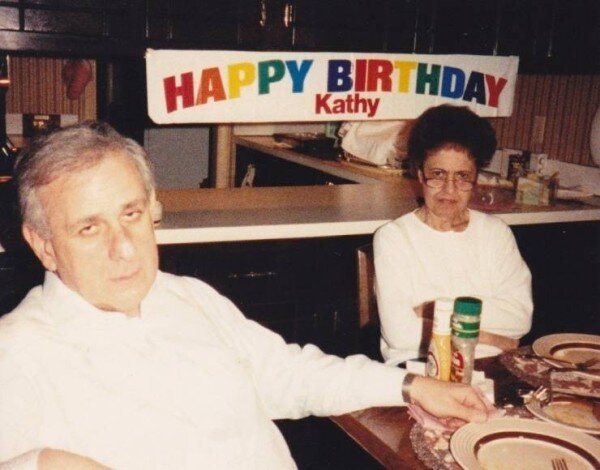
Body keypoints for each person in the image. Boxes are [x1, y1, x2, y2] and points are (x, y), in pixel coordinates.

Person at [0, 121, 492, 469]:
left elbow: (289, 374)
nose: (124, 248)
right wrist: (36, 463)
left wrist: (411, 385)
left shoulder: (186, 296)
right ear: (43, 245)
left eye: (131, 214)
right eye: (89, 228)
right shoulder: (17, 352)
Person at [374, 104, 534, 366]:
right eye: (438, 174)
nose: (449, 189)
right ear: (420, 174)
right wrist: (491, 337)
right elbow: (401, 336)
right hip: (419, 366)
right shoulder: (394, 237)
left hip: (488, 367)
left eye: (462, 176)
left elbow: (519, 318)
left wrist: (433, 309)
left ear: (476, 178)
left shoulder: (495, 234)